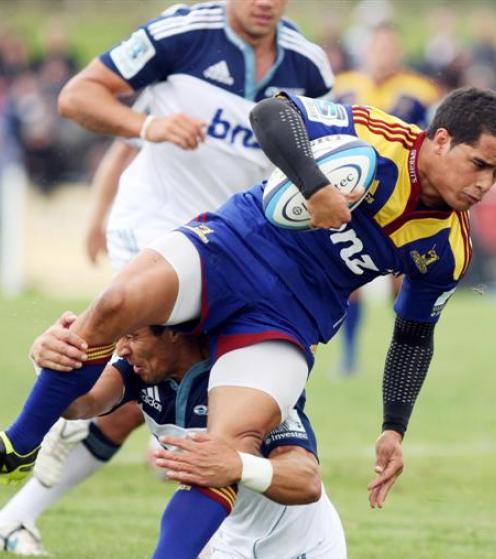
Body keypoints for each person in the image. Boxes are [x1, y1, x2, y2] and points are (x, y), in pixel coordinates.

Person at [2, 87, 493, 524]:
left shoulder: (449, 248)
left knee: (227, 443)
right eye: (480, 164)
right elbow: (272, 114)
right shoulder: (376, 133)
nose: (484, 185)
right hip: (234, 244)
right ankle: (19, 443)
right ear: (442, 139)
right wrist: (315, 187)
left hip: (291, 313)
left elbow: (413, 336)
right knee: (116, 303)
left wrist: (393, 428)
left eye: (494, 175)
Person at [28, 0, 333, 500]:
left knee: (213, 402)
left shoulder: (309, 66)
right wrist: (148, 129)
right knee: (148, 375)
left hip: (236, 253)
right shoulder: (181, 33)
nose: (265, 3)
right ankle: (40, 431)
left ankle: (23, 506)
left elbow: (312, 160)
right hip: (155, 230)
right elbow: (77, 97)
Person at [2, 320, 375, 559]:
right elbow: (81, 404)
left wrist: (237, 464)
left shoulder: (253, 385)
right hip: (234, 547)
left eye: (133, 335)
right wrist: (48, 360)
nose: (123, 348)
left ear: (176, 333)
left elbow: (306, 481)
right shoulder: (140, 372)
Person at [332, 22, 441, 374]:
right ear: (367, 49)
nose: (383, 54)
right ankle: (348, 357)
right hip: (352, 197)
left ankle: (402, 355)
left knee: (403, 281)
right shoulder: (344, 85)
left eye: (389, 47)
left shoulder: (420, 90)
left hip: (401, 202)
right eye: (378, 47)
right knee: (349, 280)